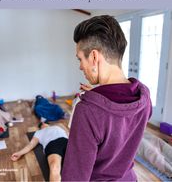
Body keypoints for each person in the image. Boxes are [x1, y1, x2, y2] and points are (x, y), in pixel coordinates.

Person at [62, 15, 152, 181]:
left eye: (81, 59)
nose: (80, 66)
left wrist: (96, 100)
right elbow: (124, 123)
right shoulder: (144, 95)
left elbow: (74, 178)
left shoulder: (87, 111)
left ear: (94, 57)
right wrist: (99, 94)